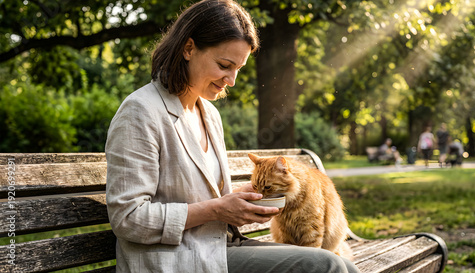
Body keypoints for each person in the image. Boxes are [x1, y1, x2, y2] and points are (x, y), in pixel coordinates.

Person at [105, 1, 360, 272]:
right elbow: (128, 218)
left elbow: (208, 200)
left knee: (346, 266)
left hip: (218, 246)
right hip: (175, 258)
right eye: (225, 65)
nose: (232, 80)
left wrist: (241, 201)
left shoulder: (209, 114)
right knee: (327, 266)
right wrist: (216, 210)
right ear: (188, 48)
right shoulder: (141, 111)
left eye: (239, 68)